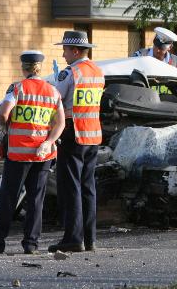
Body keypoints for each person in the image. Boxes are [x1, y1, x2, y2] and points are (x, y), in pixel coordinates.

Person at [0, 51, 65, 254]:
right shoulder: (53, 91)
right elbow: (60, 123)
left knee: (8, 198)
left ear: (24, 68)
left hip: (18, 154)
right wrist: (48, 142)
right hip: (43, 155)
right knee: (36, 200)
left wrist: (4, 128)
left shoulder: (18, 87)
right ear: (40, 68)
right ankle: (31, 244)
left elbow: (3, 114)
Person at [49, 30, 104, 253]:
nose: (63, 55)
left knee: (71, 187)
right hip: (93, 135)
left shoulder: (70, 72)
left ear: (74, 50)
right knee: (88, 188)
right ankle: (90, 239)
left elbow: (54, 99)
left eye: (65, 50)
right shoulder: (98, 71)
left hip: (73, 133)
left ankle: (73, 238)